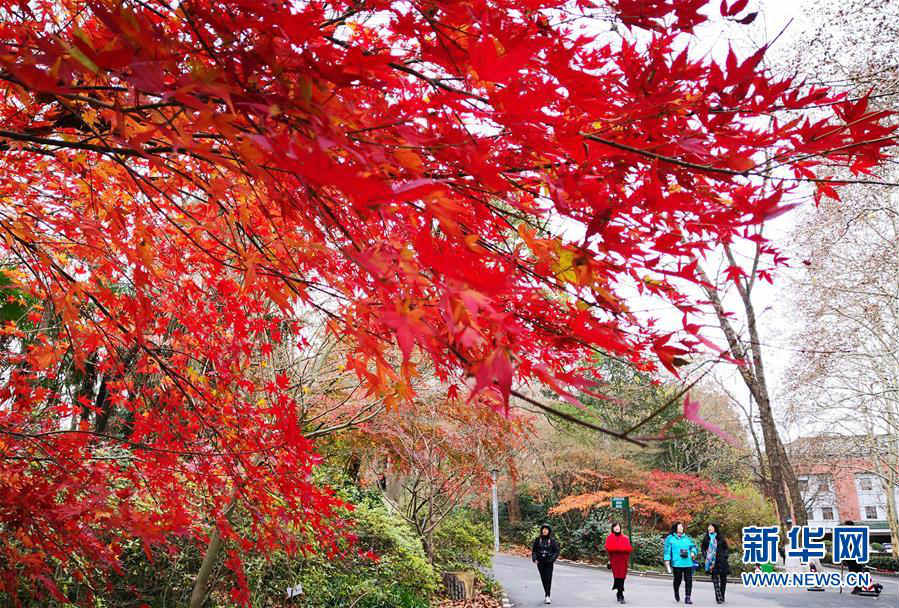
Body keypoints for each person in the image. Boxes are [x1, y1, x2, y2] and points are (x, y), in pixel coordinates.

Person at [665, 521, 698, 604]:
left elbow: (693, 547)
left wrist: (693, 552)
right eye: (680, 527)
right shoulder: (670, 538)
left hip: (688, 563)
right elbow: (667, 551)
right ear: (675, 528)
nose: (681, 528)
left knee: (689, 580)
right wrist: (667, 562)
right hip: (677, 563)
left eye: (682, 527)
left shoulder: (687, 538)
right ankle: (676, 592)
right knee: (677, 580)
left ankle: (688, 598)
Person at [701, 523, 730, 604]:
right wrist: (706, 556)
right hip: (712, 562)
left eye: (711, 527)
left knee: (723, 580)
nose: (709, 528)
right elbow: (703, 548)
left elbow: (726, 548)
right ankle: (718, 597)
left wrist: (725, 556)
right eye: (708, 527)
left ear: (715, 528)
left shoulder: (720, 537)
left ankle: (722, 595)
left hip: (721, 561)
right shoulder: (706, 538)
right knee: (715, 580)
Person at [605, 521, 633, 604]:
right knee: (617, 577)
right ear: (613, 528)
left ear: (620, 528)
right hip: (615, 561)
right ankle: (620, 595)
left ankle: (619, 593)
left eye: (618, 526)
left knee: (622, 577)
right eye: (615, 526)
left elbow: (629, 548)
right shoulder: (610, 537)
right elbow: (609, 548)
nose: (617, 528)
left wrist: (618, 549)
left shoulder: (625, 538)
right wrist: (620, 549)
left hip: (623, 561)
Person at [531, 523, 560, 604]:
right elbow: (534, 550)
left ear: (549, 531)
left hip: (549, 562)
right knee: (543, 579)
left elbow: (556, 551)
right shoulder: (537, 540)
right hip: (540, 562)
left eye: (546, 529)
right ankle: (546, 593)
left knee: (548, 578)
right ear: (541, 530)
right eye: (543, 529)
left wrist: (552, 559)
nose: (545, 531)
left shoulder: (552, 541)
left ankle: (547, 596)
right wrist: (534, 559)